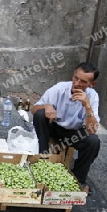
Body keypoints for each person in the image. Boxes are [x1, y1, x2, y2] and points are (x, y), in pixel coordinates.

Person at [31, 62, 101, 194]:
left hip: (74, 133)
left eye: (83, 82)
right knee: (40, 114)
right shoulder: (59, 89)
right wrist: (46, 107)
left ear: (92, 84)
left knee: (93, 141)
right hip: (54, 127)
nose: (76, 83)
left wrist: (87, 106)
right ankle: (43, 158)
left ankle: (78, 178)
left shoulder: (92, 96)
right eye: (76, 78)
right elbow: (33, 109)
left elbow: (92, 129)